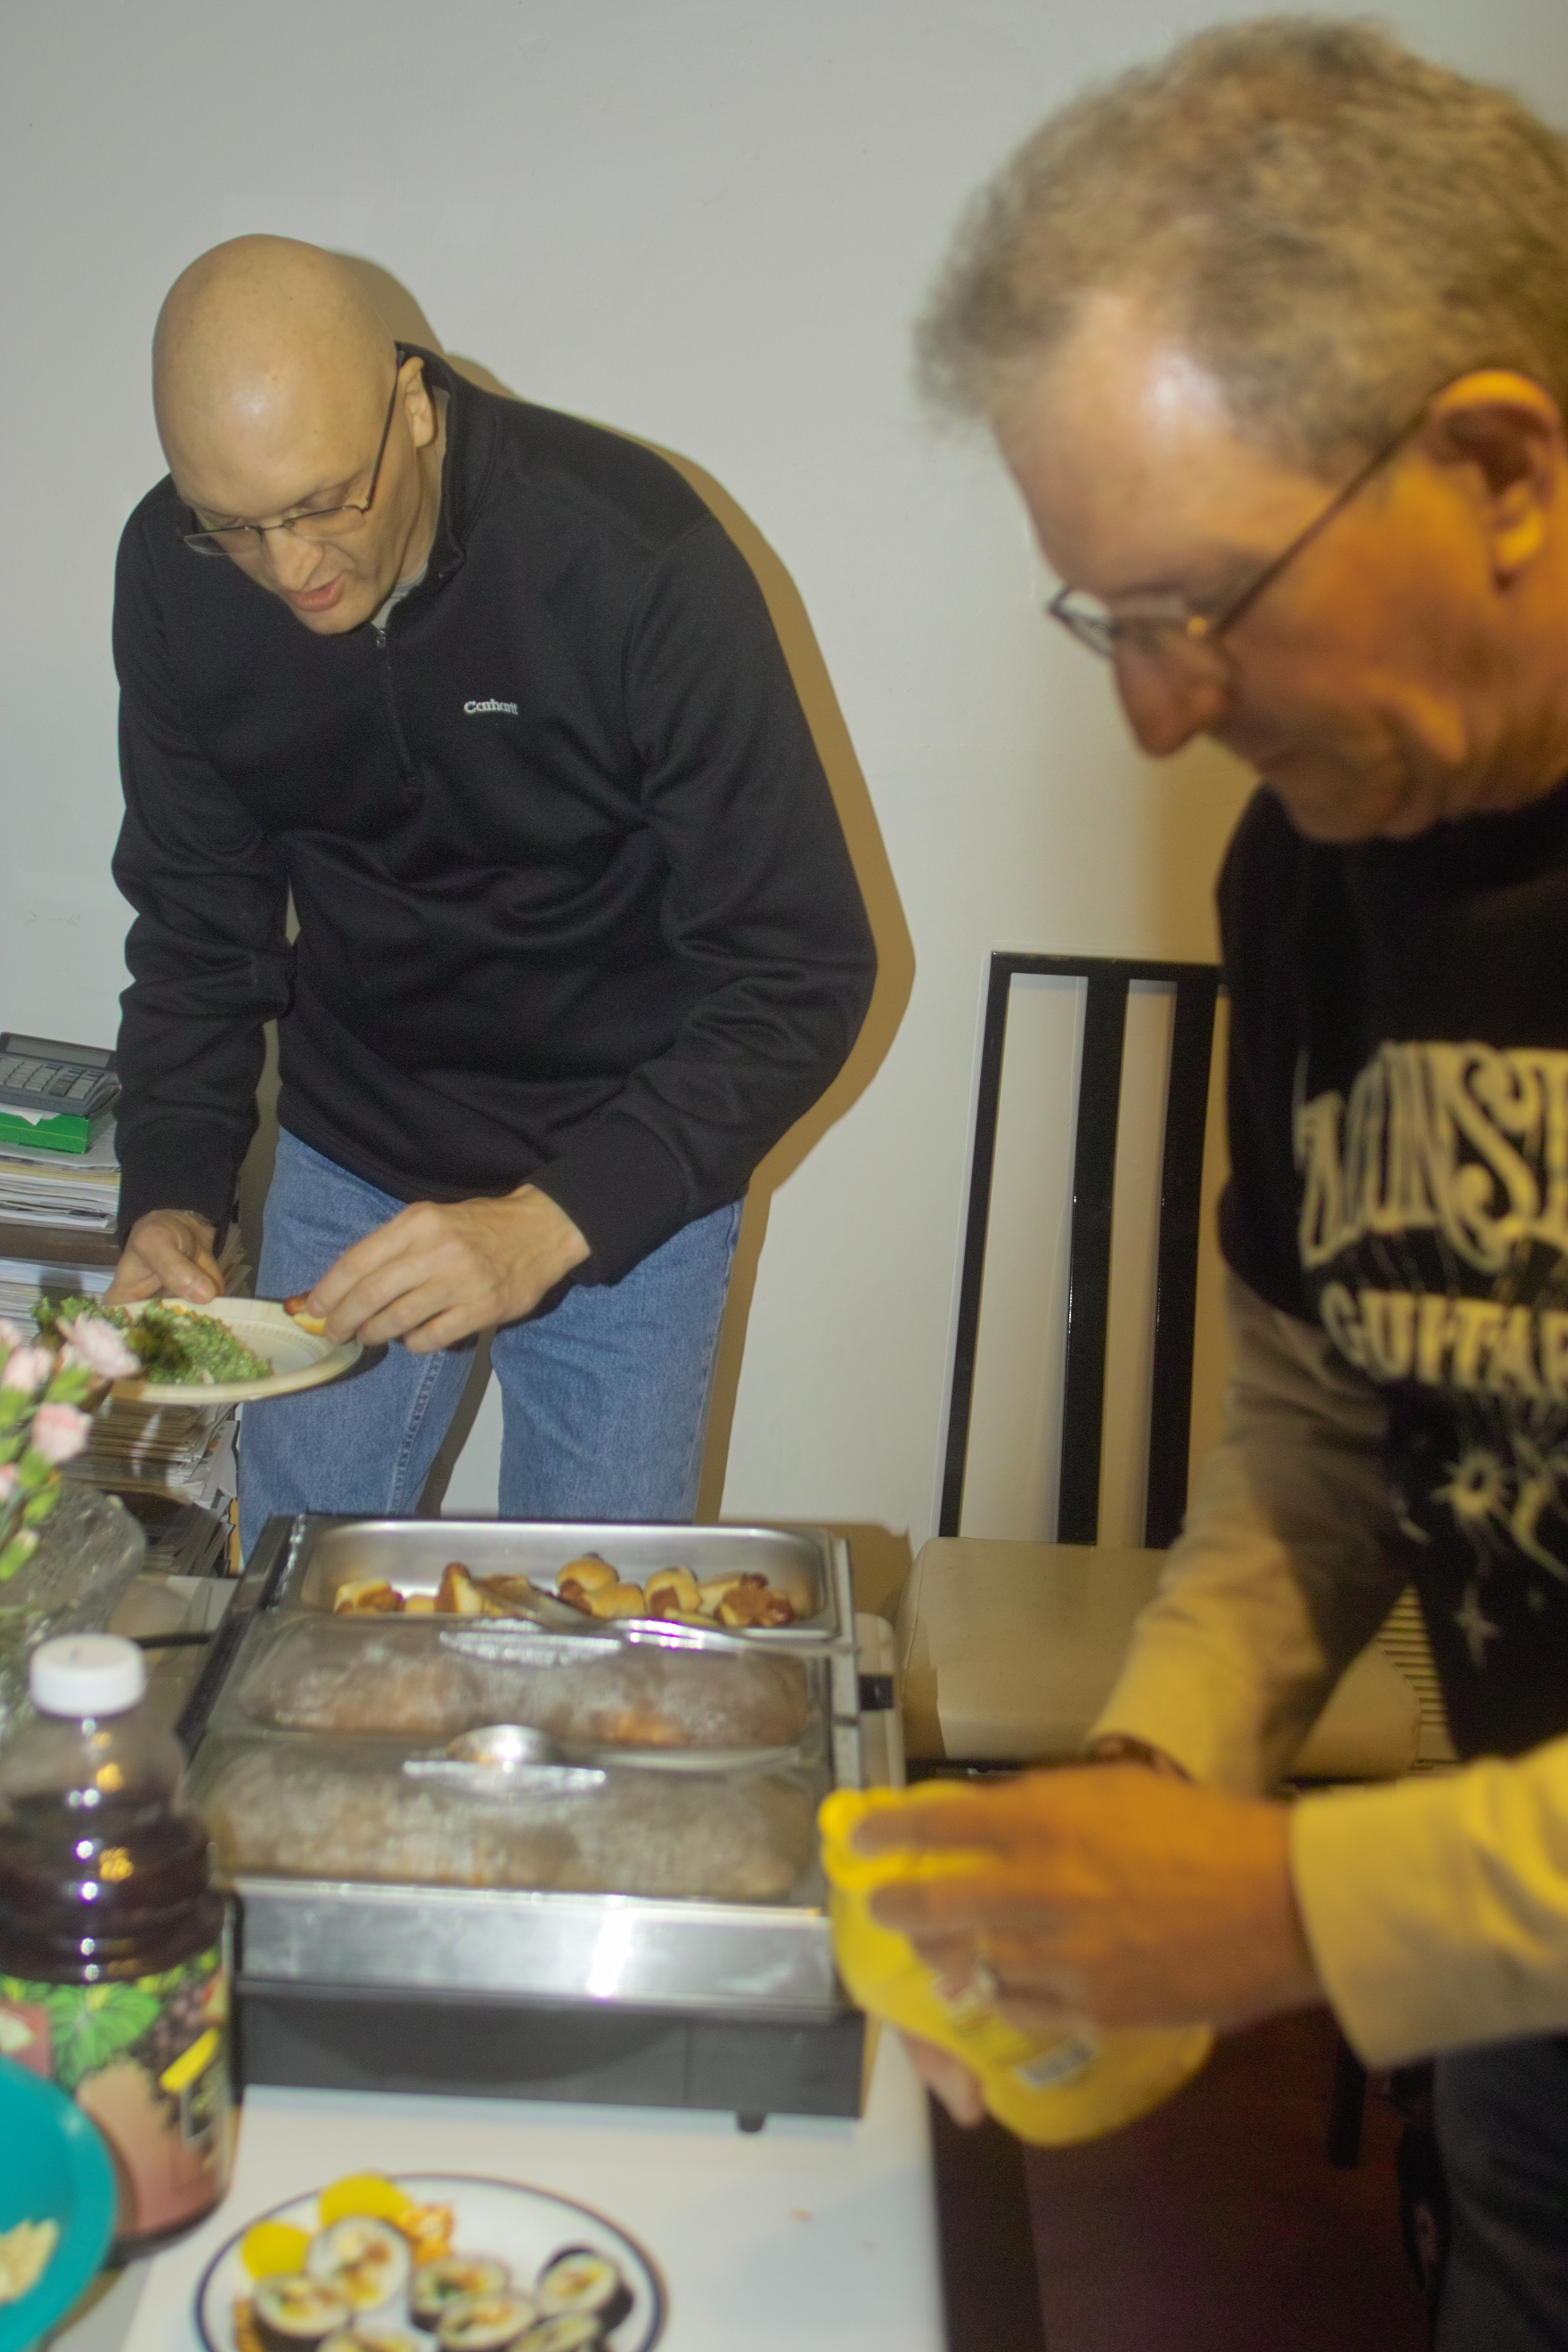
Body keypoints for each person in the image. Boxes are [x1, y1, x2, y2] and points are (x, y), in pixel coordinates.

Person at [858, 23, 1568, 2348]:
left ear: (1501, 468)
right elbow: (1324, 1428)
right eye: (1110, 624)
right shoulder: (1317, 866)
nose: (1159, 716)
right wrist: (1157, 1772)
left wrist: (1284, 1908)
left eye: (1200, 605)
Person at [106, 238, 875, 1554]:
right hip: (354, 1144)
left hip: (621, 1161)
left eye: (325, 503)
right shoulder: (176, 573)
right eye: (235, 524)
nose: (290, 568)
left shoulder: (630, 558)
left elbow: (801, 970)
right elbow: (196, 924)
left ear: (413, 406)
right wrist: (173, 1191)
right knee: (291, 1585)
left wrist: (555, 1223)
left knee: (592, 1618)